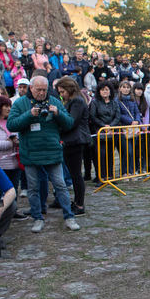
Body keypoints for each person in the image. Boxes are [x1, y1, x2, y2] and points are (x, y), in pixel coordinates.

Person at [7, 75, 79, 232]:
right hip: (31, 152)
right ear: (31, 88)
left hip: (52, 151)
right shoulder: (20, 103)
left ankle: (69, 217)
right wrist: (29, 115)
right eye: (38, 90)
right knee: (33, 188)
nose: (41, 93)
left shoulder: (54, 101)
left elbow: (69, 123)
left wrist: (58, 113)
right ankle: (37, 218)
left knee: (61, 185)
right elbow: (11, 125)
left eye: (44, 90)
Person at [58, 76, 88, 215]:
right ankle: (77, 202)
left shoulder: (77, 101)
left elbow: (72, 122)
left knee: (76, 174)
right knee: (74, 173)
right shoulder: (73, 101)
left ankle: (79, 204)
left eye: (63, 91)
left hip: (76, 140)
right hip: (72, 140)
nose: (62, 94)